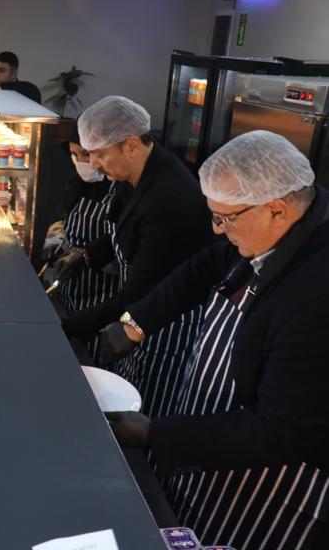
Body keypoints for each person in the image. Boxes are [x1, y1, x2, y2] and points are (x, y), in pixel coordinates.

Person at [101, 131, 329, 549]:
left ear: (277, 210)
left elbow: (281, 430)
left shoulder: (315, 293)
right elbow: (204, 267)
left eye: (225, 219)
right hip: (215, 447)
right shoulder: (286, 226)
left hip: (273, 486)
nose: (216, 230)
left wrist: (158, 435)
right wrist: (136, 322)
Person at [51, 96, 212, 418]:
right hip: (136, 311)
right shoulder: (135, 174)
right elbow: (119, 229)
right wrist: (85, 254)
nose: (93, 164)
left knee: (143, 411)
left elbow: (141, 291)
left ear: (131, 145)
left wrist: (68, 327)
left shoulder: (168, 198)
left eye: (99, 154)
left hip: (163, 326)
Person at [47, 122, 121, 362]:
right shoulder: (77, 182)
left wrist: (86, 256)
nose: (82, 162)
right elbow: (68, 226)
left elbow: (122, 249)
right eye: (74, 154)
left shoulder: (121, 189)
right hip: (70, 292)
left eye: (86, 154)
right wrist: (57, 241)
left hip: (103, 299)